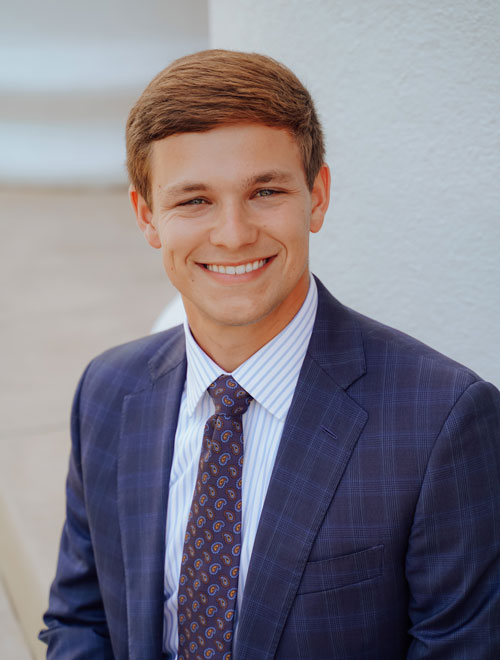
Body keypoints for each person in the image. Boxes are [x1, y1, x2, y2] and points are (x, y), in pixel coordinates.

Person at [40, 49, 500, 660]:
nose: (233, 233)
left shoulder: (446, 421)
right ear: (147, 216)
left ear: (317, 196)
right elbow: (81, 621)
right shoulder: (107, 391)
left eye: (265, 191)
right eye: (194, 200)